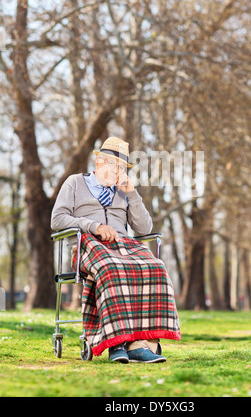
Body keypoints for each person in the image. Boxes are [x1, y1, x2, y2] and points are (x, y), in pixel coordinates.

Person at [51, 136, 181, 363]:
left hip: (123, 246)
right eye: (112, 165)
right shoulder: (74, 183)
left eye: (121, 167)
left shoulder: (123, 192)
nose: (117, 171)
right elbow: (57, 219)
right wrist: (94, 226)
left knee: (155, 266)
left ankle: (141, 344)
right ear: (98, 163)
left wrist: (132, 193)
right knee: (111, 268)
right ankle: (116, 342)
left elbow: (144, 228)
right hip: (87, 245)